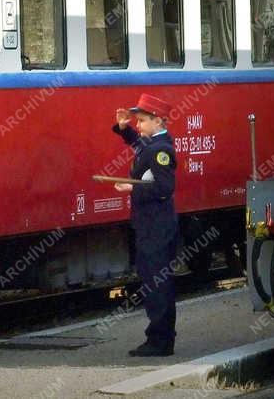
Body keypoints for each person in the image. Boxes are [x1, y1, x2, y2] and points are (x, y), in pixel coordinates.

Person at [113, 93, 179, 357]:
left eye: (141, 121)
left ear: (158, 121)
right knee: (153, 281)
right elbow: (139, 147)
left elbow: (164, 188)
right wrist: (123, 130)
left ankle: (160, 341)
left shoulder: (161, 151)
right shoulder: (154, 145)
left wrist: (132, 188)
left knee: (156, 284)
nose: (137, 125)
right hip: (152, 226)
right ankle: (160, 338)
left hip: (156, 228)